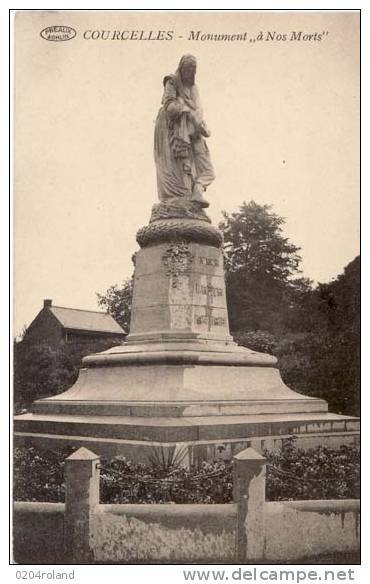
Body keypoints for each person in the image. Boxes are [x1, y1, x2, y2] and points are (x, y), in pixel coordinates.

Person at [154, 55, 215, 208]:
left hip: (193, 130)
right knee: (179, 167)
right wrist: (186, 109)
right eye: (188, 68)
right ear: (181, 68)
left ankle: (197, 190)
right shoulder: (172, 81)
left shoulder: (193, 87)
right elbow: (169, 106)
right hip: (175, 128)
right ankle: (185, 197)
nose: (191, 72)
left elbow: (199, 108)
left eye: (194, 69)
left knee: (208, 170)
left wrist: (198, 122)